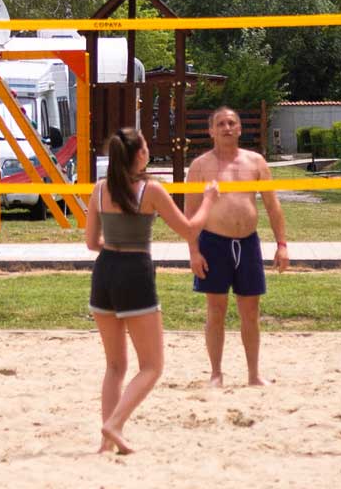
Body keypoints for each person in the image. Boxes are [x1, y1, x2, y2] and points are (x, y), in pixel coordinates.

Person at [87, 125, 217, 455]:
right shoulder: (150, 190)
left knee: (114, 366)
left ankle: (106, 441)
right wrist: (208, 201)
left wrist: (115, 246)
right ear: (140, 154)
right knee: (152, 366)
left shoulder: (100, 189)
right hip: (134, 272)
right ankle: (114, 424)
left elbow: (91, 243)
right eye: (144, 146)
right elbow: (189, 230)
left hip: (104, 271)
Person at [186, 106, 290, 387]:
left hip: (248, 243)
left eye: (232, 123)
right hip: (213, 243)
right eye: (221, 124)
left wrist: (282, 245)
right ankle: (216, 373)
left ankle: (254, 374)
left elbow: (272, 206)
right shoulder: (199, 166)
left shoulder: (255, 162)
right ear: (211, 130)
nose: (227, 128)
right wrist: (193, 252)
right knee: (215, 310)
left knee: (250, 311)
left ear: (240, 129)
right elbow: (190, 215)